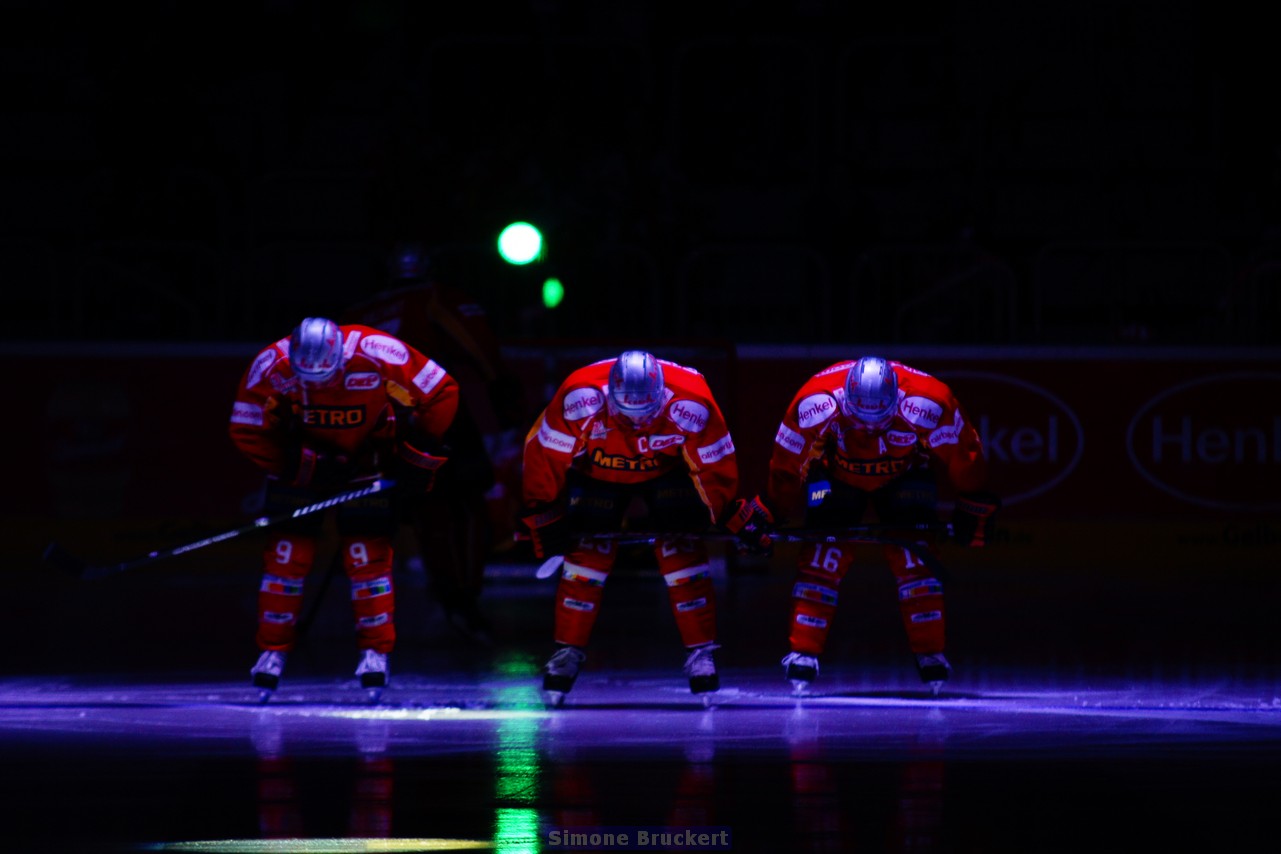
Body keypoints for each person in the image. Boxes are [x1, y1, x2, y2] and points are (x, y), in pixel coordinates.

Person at [229, 316, 459, 698]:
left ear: (341, 355)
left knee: (367, 558)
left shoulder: (378, 351)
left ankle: (375, 653)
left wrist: (415, 451)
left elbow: (442, 391)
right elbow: (245, 424)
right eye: (310, 379)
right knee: (287, 558)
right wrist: (295, 464)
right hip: (302, 468)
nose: (321, 385)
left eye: (329, 376)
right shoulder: (271, 364)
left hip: (367, 466)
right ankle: (271, 651)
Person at [521, 350, 764, 707]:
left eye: (645, 415)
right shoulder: (580, 396)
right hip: (595, 472)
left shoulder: (692, 401)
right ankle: (566, 651)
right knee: (587, 552)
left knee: (681, 547)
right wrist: (543, 512)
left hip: (666, 473)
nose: (636, 424)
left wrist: (725, 511)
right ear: (609, 396)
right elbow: (543, 453)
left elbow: (716, 465)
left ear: (663, 396)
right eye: (626, 415)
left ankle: (701, 653)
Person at [761, 356, 999, 694]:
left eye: (880, 419)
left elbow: (965, 451)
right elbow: (786, 462)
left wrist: (973, 500)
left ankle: (931, 652)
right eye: (861, 419)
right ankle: (803, 650)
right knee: (821, 554)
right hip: (832, 476)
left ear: (897, 399)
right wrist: (773, 508)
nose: (870, 428)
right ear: (844, 398)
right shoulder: (814, 402)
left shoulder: (931, 402)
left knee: (915, 557)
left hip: (906, 475)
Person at [341, 242, 527, 644]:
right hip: (434, 415)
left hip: (372, 425)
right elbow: (479, 346)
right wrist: (504, 396)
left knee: (426, 510)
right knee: (467, 503)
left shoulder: (355, 316)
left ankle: (445, 595)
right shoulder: (436, 298)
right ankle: (463, 598)